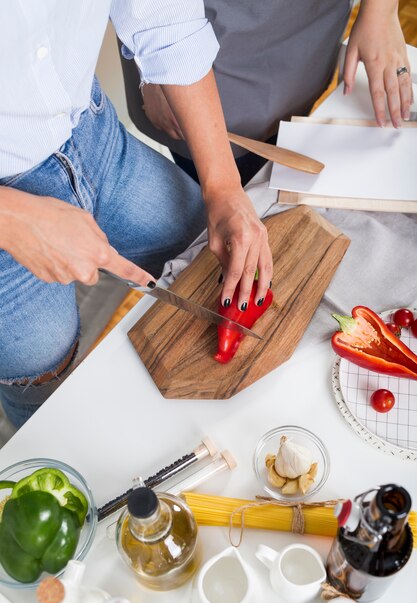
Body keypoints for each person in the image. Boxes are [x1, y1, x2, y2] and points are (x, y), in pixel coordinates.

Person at [0, 1, 273, 428]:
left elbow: (164, 18)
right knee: (43, 369)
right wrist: (13, 218)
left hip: (91, 134)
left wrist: (223, 187)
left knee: (203, 247)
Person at [119, 0, 412, 186]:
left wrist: (381, 11)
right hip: (197, 35)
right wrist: (153, 68)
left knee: (291, 135)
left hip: (313, 24)